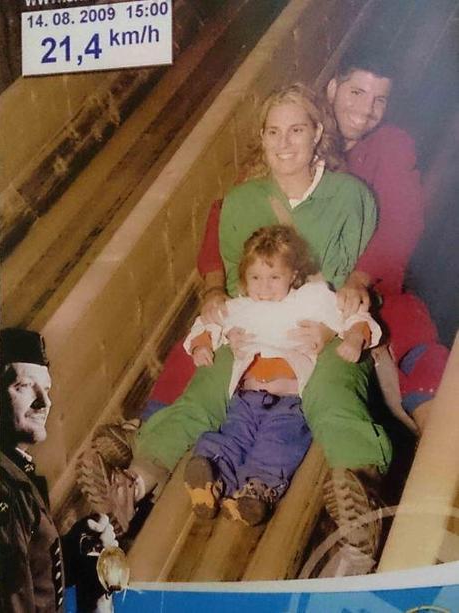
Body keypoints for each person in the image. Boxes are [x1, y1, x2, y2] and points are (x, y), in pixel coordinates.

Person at [79, 84, 391, 574]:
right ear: (262, 139)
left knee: (333, 393)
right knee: (206, 388)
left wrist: (341, 325)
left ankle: (358, 498)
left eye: (296, 130)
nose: (284, 143)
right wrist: (217, 325)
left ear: (318, 135)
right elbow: (230, 282)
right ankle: (135, 485)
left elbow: (356, 278)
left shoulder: (349, 197)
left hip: (320, 328)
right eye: (273, 132)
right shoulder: (242, 202)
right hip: (255, 330)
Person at [190, 45, 449, 434]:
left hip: (362, 286)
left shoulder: (390, 146)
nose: (365, 110)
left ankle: (438, 442)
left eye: (380, 99)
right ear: (332, 89)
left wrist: (361, 278)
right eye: (356, 93)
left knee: (408, 329)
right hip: (287, 291)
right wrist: (213, 287)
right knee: (217, 326)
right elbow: (224, 215)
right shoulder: (291, 139)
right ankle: (153, 426)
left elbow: (401, 223)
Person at [184, 225, 381, 526]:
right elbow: (206, 325)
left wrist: (354, 337)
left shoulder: (311, 300)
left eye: (274, 277)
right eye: (255, 278)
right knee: (232, 434)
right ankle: (209, 477)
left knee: (279, 441)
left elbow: (354, 316)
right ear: (244, 279)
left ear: (293, 274)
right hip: (246, 397)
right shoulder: (240, 307)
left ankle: (257, 491)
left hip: (290, 401)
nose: (263, 287)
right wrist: (201, 346)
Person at [0, 328, 120, 612]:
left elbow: (29, 568)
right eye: (25, 386)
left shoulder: (15, 472)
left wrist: (76, 549)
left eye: (47, 388)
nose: (45, 402)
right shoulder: (4, 488)